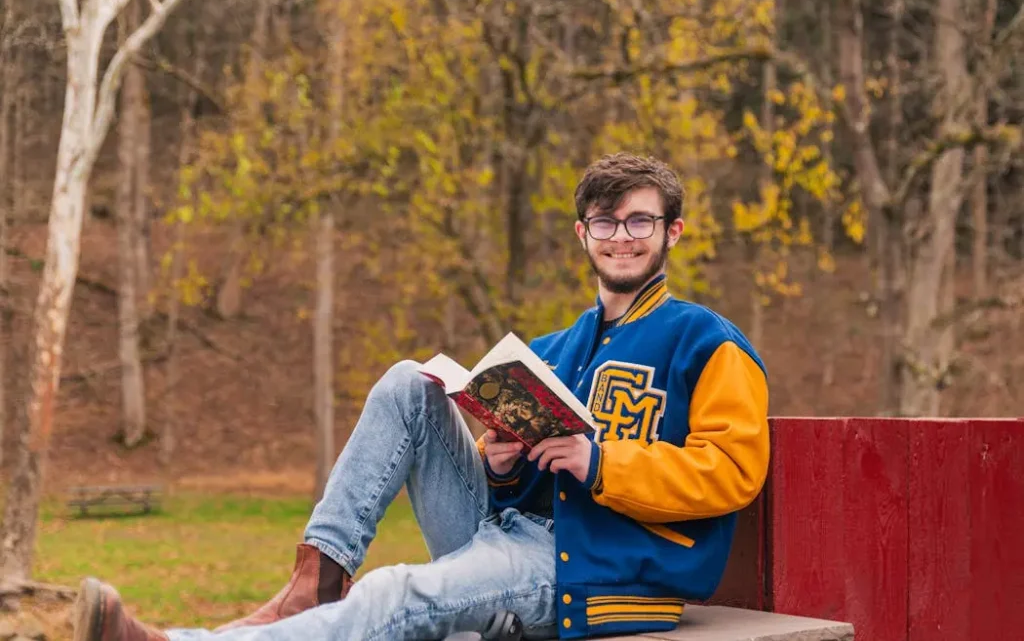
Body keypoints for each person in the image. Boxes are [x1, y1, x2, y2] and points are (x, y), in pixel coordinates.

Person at [73, 152, 770, 641]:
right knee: (410, 380)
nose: (623, 237)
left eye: (640, 221)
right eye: (607, 222)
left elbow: (735, 471)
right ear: (582, 233)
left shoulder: (708, 342)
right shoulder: (556, 346)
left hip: (588, 572)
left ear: (672, 232)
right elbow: (514, 486)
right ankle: (314, 578)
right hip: (505, 535)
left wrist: (601, 463)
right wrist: (501, 463)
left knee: (396, 590)